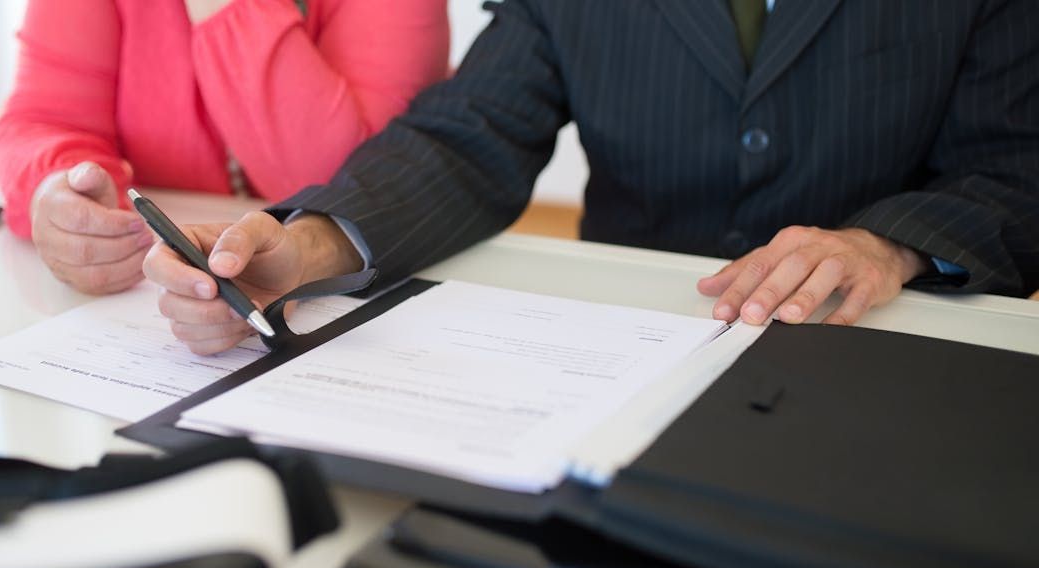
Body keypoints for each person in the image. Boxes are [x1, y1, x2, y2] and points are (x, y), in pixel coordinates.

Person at [144, 0, 1039, 355]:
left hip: (881, 344)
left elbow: (1016, 169)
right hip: (628, 351)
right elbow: (468, 135)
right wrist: (303, 246)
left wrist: (885, 243)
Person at [0, 0, 449, 294]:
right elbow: (42, 122)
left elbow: (353, 186)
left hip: (348, 297)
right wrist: (56, 190)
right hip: (155, 305)